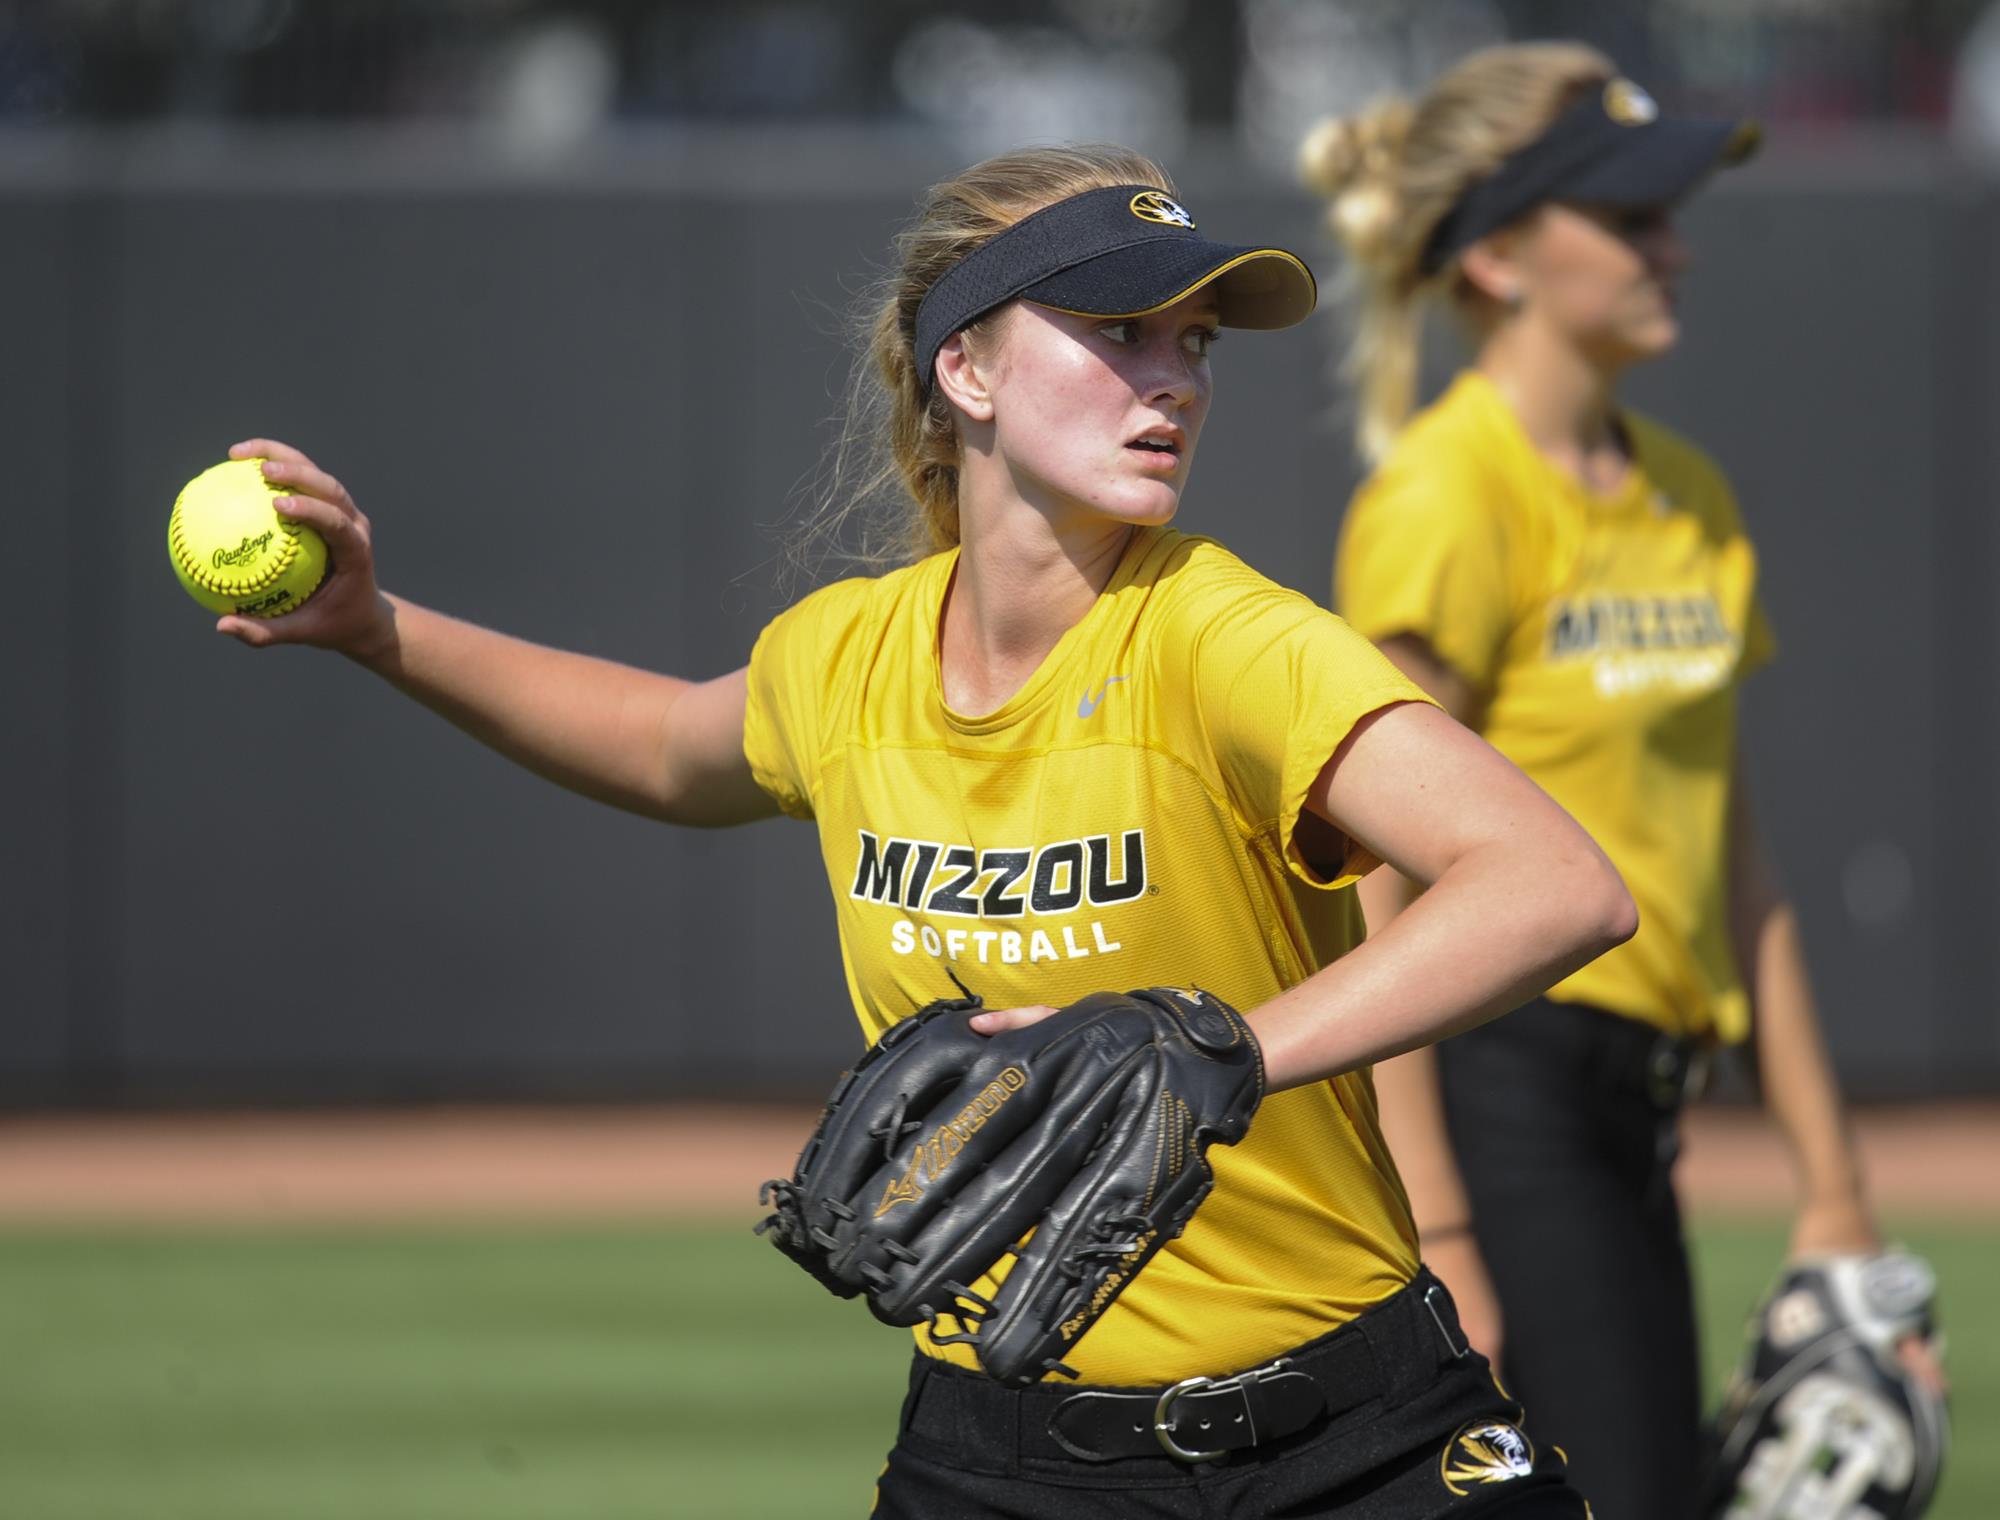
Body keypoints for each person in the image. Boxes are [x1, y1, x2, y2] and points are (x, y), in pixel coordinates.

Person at [217, 144, 1636, 1518]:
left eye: (1194, 342)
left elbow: (1556, 883)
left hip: (1351, 1440)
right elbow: (664, 746)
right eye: (1118, 329)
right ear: (966, 370)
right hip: (1002, 1462)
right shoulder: (847, 661)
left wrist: (1229, 1049)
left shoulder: (1223, 640)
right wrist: (378, 630)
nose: (1174, 382)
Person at [1302, 43, 1938, 1520]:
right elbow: (1378, 884)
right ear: (1503, 256)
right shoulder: (1447, 500)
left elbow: (1737, 861)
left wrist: (1835, 1198)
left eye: (1670, 214)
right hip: (1501, 1089)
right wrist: (1440, 1232)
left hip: (1640, 1104)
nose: (1676, 248)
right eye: (1634, 219)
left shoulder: (1687, 499)